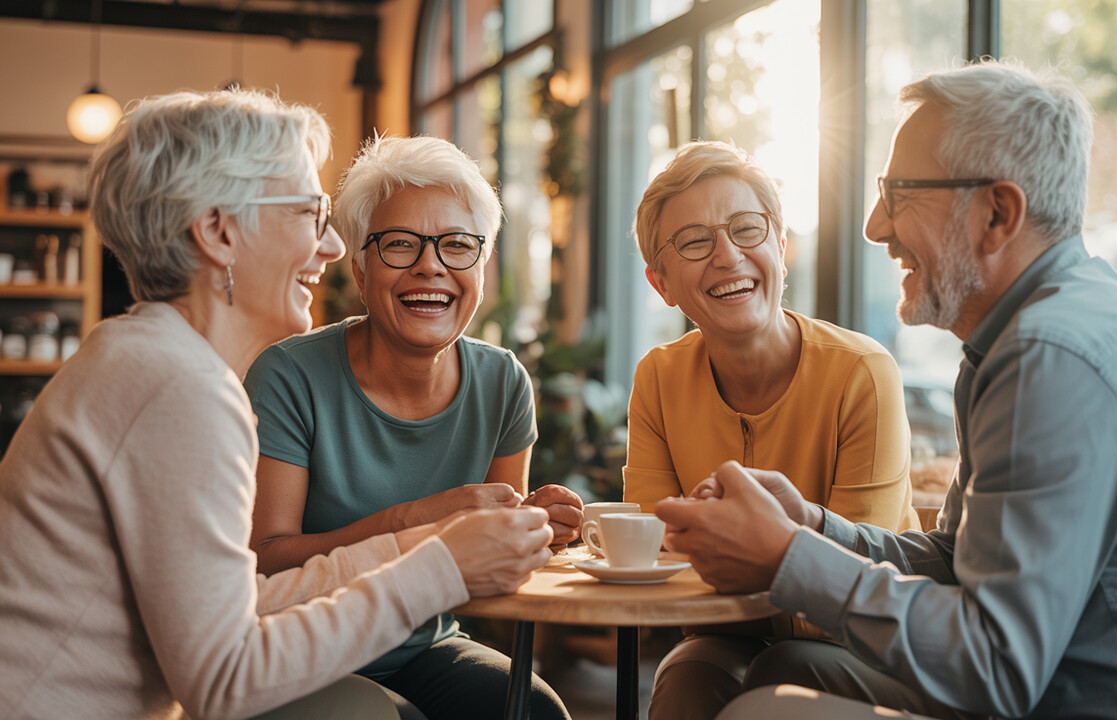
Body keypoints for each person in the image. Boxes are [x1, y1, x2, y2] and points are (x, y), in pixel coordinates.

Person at [657, 60, 1117, 720]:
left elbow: (997, 667)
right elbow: (961, 561)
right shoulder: (1033, 334)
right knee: (788, 668)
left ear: (997, 213)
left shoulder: (1052, 356)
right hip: (1064, 683)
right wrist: (812, 528)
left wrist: (788, 557)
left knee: (765, 713)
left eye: (900, 194)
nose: (875, 225)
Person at [0, 89, 555, 720]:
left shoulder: (154, 360)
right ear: (218, 231)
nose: (335, 249)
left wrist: (423, 551)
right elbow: (226, 681)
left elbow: (242, 603)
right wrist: (438, 567)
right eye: (308, 213)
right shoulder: (176, 388)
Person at [243, 134, 577, 720]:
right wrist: (415, 519)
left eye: (457, 245)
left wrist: (532, 530)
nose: (432, 265)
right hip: (304, 646)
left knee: (532, 711)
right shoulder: (288, 376)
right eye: (400, 244)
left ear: (481, 263)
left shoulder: (503, 383)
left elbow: (487, 576)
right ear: (361, 267)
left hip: (427, 645)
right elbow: (263, 560)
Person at [624, 140, 919, 719]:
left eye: (746, 229)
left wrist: (729, 553)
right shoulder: (658, 376)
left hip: (870, 644)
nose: (728, 256)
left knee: (784, 669)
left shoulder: (862, 372)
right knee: (686, 675)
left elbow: (855, 584)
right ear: (661, 284)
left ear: (780, 250)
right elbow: (653, 554)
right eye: (694, 241)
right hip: (726, 633)